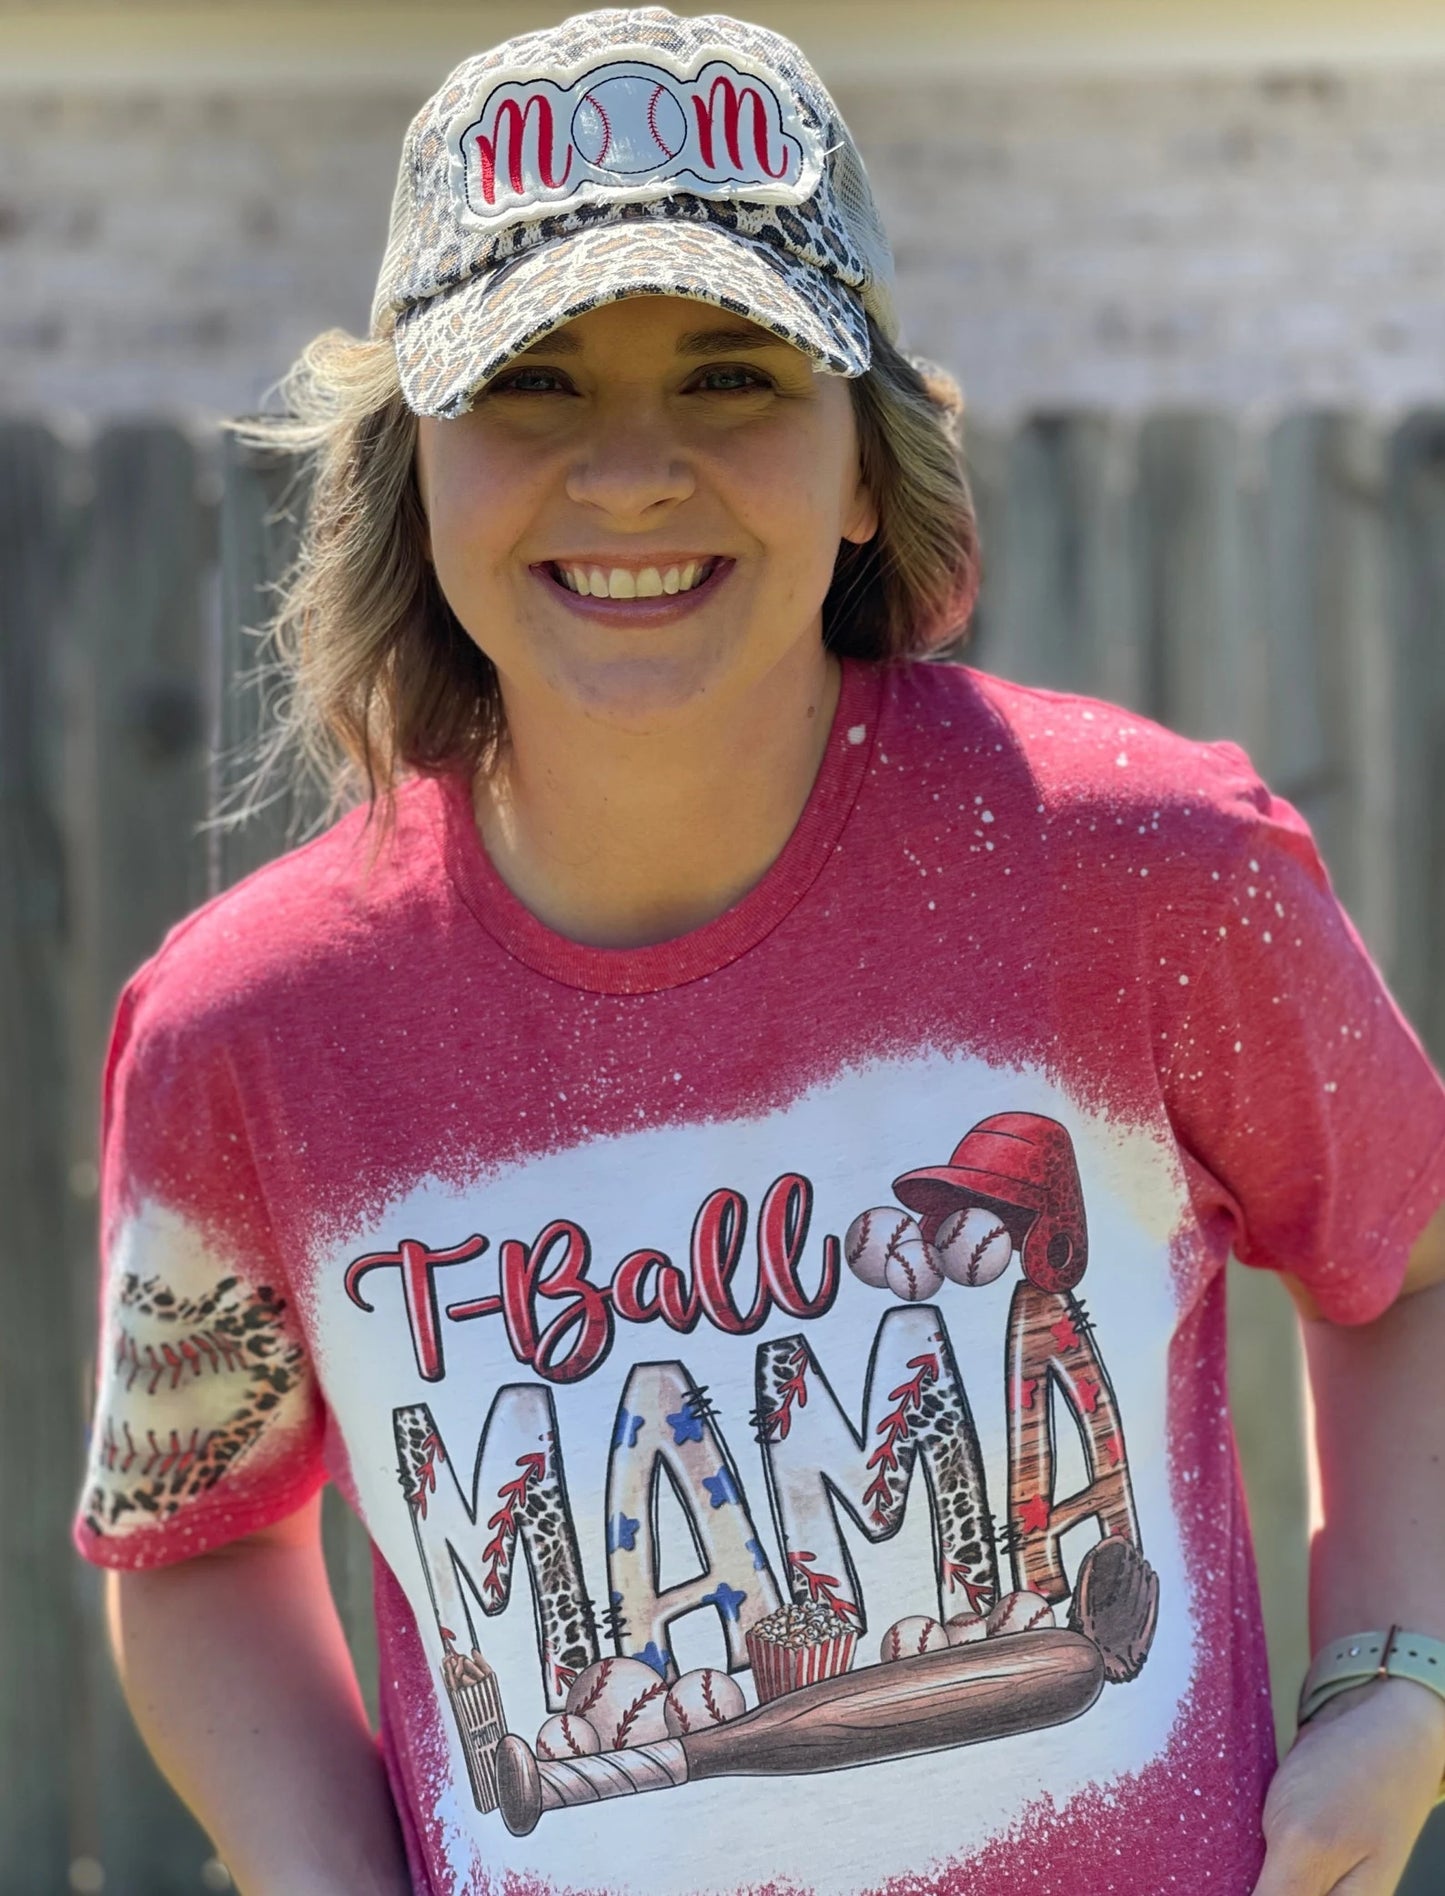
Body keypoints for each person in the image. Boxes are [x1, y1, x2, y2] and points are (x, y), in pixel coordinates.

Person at [71, 9, 1445, 1895]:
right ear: (414, 470)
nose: (630, 474)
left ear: (868, 465)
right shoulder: (248, 1031)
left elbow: (1410, 1267)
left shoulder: (1146, 872)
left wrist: (1391, 1688)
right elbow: (194, 1535)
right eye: (531, 385)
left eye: (731, 375)